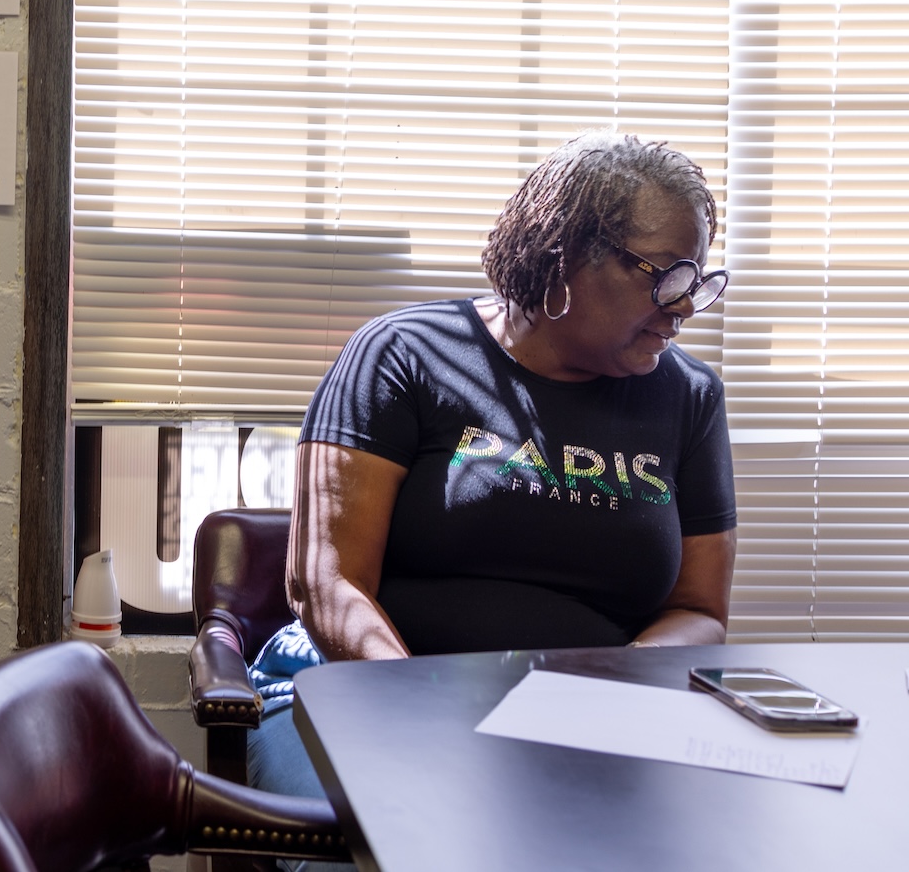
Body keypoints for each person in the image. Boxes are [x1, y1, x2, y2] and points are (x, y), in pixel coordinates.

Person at [245, 132, 737, 868]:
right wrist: (421, 707)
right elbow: (325, 583)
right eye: (666, 276)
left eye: (698, 279)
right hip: (361, 690)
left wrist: (616, 688)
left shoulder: (689, 398)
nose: (685, 306)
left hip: (584, 722)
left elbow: (699, 611)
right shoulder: (405, 354)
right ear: (566, 257)